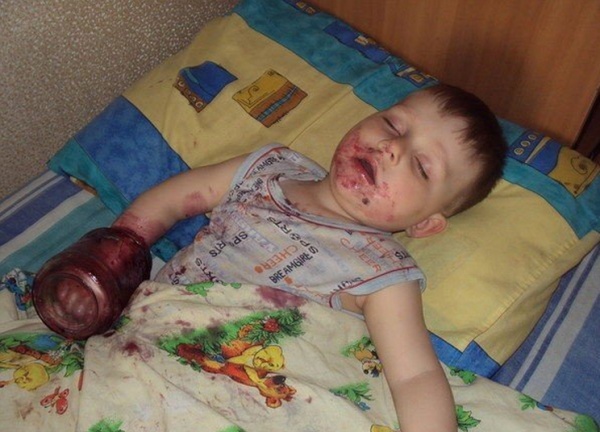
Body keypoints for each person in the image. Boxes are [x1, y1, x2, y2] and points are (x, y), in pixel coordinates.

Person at [112, 83, 507, 432]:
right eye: (393, 125)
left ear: (424, 225)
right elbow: (171, 200)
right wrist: (112, 255)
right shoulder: (267, 169)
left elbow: (415, 376)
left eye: (421, 166)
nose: (393, 148)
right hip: (145, 340)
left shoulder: (383, 269)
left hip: (239, 389)